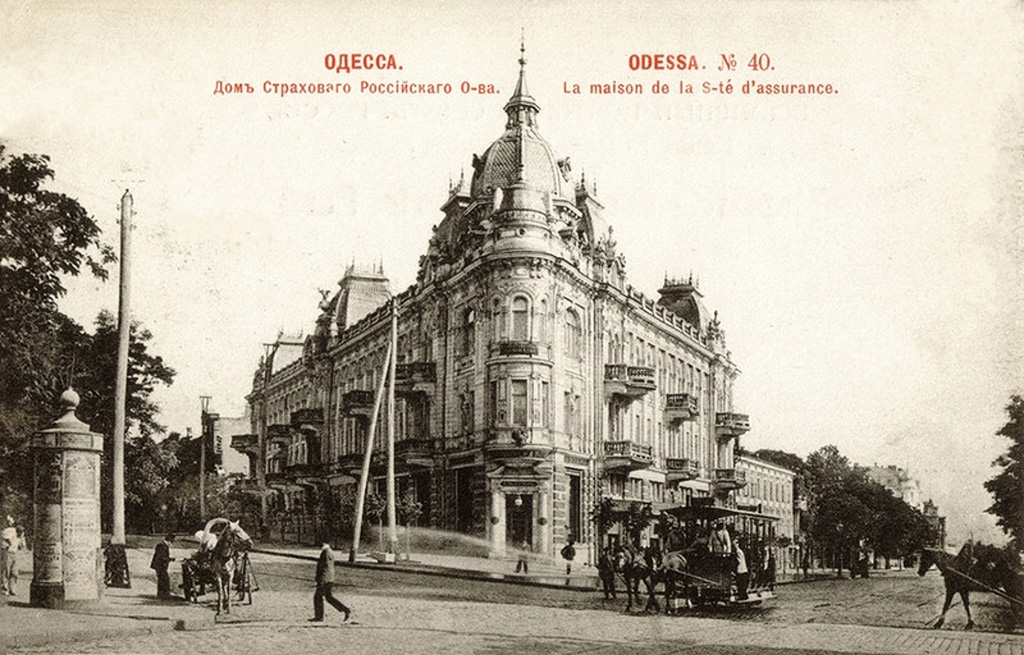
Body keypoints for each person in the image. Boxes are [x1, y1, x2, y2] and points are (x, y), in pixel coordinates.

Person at [310, 542, 350, 623]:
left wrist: (321, 579)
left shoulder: (326, 553)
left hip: (325, 580)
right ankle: (345, 609)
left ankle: (319, 617)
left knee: (317, 597)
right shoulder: (329, 552)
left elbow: (325, 568)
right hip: (328, 579)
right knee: (329, 597)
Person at [150, 533, 176, 599]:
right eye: (172, 541)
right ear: (169, 540)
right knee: (164, 579)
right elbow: (162, 557)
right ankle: (164, 595)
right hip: (160, 566)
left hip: (158, 565)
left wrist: (169, 559)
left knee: (162, 579)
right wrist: (170, 559)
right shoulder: (163, 546)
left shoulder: (161, 545)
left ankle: (162, 594)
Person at [2, 516, 22, 596]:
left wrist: (20, 538)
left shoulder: (18, 533)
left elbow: (21, 546)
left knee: (14, 572)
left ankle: (12, 589)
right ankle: (4, 589)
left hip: (14, 553)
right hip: (7, 552)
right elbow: (6, 538)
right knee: (6, 571)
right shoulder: (7, 531)